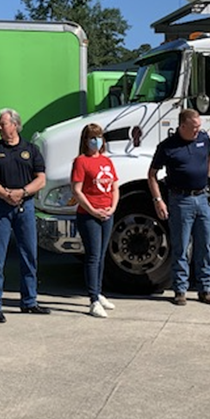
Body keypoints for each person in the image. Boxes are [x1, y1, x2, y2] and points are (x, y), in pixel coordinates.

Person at [0, 108, 50, 323]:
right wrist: (5, 194)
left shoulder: (30, 149)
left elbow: (41, 179)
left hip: (25, 207)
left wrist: (23, 192)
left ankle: (29, 301)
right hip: (0, 207)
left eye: (4, 124)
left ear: (15, 125)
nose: (0, 127)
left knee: (29, 254)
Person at [147, 109, 210, 306]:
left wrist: (209, 176)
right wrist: (158, 200)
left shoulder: (203, 139)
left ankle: (205, 289)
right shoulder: (167, 147)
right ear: (182, 126)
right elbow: (151, 174)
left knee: (205, 246)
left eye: (199, 127)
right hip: (180, 200)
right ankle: (180, 290)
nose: (197, 131)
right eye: (194, 128)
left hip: (202, 198)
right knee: (181, 247)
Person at [71, 123, 120, 318]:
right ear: (85, 141)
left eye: (99, 137)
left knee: (101, 255)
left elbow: (115, 186)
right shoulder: (80, 161)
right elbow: (77, 190)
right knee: (92, 256)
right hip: (88, 215)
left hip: (107, 213)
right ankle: (92, 299)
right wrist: (92, 210)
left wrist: (112, 208)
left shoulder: (107, 162)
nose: (96, 141)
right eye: (92, 138)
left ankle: (99, 293)